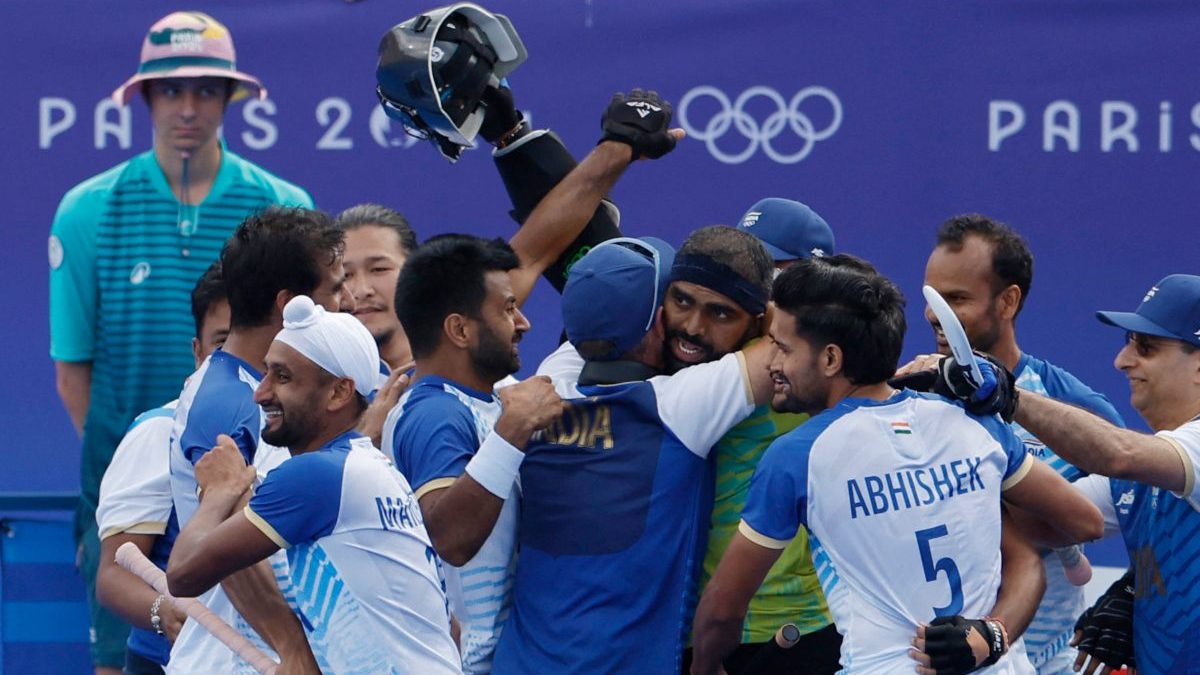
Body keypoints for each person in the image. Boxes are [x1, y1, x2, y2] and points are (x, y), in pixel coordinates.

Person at [382, 87, 681, 674]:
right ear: (461, 330)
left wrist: (614, 152)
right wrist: (511, 434)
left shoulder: (476, 394)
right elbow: (450, 537)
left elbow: (542, 243)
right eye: (508, 310)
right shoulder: (432, 412)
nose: (524, 320)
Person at [47, 13, 312, 671]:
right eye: (170, 91)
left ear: (229, 99)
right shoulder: (88, 209)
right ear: (144, 98)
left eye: (205, 90)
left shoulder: (281, 205)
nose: (187, 108)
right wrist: (143, 471)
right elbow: (72, 370)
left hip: (252, 490)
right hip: (133, 491)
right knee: (125, 657)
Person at [691, 255, 1105, 675]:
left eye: (782, 347)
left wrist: (703, 669)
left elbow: (723, 610)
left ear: (831, 359)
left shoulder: (797, 457)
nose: (772, 364)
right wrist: (992, 633)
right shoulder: (973, 426)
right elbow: (1084, 523)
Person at [491, 236, 778, 674]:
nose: (692, 325)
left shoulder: (546, 384)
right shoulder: (679, 407)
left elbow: (598, 302)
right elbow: (787, 345)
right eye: (676, 301)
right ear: (658, 321)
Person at [166, 295, 461, 673]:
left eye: (283, 377)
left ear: (338, 392)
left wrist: (218, 492)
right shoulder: (372, 467)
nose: (261, 392)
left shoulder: (316, 476)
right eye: (266, 372)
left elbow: (183, 573)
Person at [900, 214, 1124, 672]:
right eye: (931, 298)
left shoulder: (1077, 410)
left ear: (1008, 301)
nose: (934, 314)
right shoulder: (906, 396)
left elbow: (1121, 521)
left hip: (1043, 662)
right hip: (925, 657)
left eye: (956, 299)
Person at [949, 273, 1200, 673]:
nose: (1122, 361)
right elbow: (1047, 521)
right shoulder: (1137, 481)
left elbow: (1118, 452)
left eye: (1147, 348)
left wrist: (1006, 397)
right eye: (1127, 344)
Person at [166, 207, 350, 674]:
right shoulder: (228, 404)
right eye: (334, 287)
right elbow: (227, 555)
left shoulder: (262, 388)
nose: (349, 299)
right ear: (289, 303)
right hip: (245, 662)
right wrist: (292, 649)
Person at [95, 264, 228, 674]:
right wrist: (162, 611)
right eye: (223, 343)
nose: (239, 360)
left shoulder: (300, 434)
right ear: (197, 351)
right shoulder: (159, 432)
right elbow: (113, 574)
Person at [337, 204, 419, 372]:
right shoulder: (312, 389)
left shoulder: (466, 378)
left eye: (379, 269)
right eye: (345, 275)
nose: (361, 291)